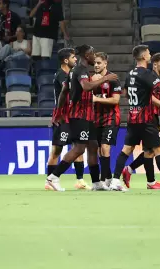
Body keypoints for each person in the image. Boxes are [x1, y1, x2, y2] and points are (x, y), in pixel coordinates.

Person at [112, 45, 160, 191]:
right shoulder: (147, 74)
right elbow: (159, 90)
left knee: (127, 149)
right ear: (143, 57)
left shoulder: (130, 74)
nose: (149, 55)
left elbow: (126, 93)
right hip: (146, 119)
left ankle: (116, 181)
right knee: (158, 149)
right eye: (148, 53)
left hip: (133, 117)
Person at [48, 45, 118, 191]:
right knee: (79, 149)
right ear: (87, 55)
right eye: (93, 54)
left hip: (87, 116)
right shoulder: (81, 71)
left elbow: (64, 91)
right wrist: (105, 78)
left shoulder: (74, 71)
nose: (94, 57)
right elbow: (86, 87)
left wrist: (59, 111)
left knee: (93, 146)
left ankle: (96, 183)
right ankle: (54, 177)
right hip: (80, 115)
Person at [46, 48, 89, 190]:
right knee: (57, 150)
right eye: (73, 57)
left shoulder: (71, 73)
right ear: (66, 60)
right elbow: (69, 92)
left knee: (78, 146)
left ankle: (80, 180)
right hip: (63, 116)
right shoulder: (61, 75)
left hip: (73, 115)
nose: (75, 59)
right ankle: (50, 181)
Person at [89, 52, 122, 185]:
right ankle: (108, 178)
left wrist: (96, 99)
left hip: (111, 117)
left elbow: (115, 100)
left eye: (99, 63)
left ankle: (104, 180)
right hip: (96, 118)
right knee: (99, 151)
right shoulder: (91, 79)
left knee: (105, 148)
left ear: (105, 63)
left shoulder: (113, 79)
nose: (96, 65)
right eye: (95, 63)